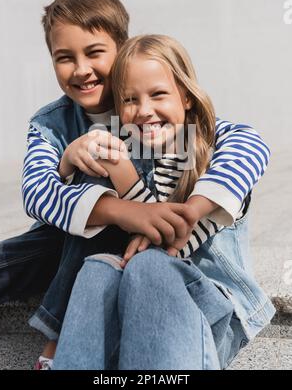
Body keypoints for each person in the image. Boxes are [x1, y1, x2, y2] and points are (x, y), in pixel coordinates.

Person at [0, 0, 271, 369]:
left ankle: (57, 336)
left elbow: (245, 143)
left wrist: (177, 211)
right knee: (66, 253)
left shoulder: (183, 132)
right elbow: (38, 194)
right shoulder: (51, 124)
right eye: (64, 58)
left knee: (135, 260)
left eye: (94, 53)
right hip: (84, 253)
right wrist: (71, 168)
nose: (81, 69)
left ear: (122, 52)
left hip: (179, 276)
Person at [53, 34, 275, 370]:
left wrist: (190, 211)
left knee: (149, 264)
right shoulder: (136, 151)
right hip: (147, 311)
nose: (143, 111)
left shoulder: (214, 149)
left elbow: (252, 148)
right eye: (128, 100)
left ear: (185, 96)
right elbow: (152, 221)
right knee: (99, 268)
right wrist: (115, 169)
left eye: (157, 94)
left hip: (213, 310)